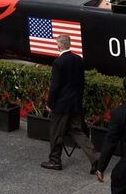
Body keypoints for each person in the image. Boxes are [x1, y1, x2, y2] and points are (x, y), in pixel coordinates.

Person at [40, 35, 98, 172]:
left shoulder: (58, 63)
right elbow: (81, 83)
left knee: (55, 133)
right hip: (75, 104)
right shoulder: (78, 59)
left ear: (58, 46)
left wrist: (50, 104)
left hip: (61, 106)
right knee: (77, 132)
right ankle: (95, 158)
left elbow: (55, 87)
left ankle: (54, 161)